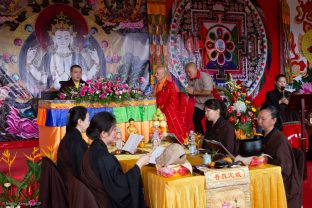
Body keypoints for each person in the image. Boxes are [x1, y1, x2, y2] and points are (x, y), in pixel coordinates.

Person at [80, 111, 150, 208]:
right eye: (113, 130)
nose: (116, 132)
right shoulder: (104, 157)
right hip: (106, 202)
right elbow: (121, 187)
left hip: (97, 198)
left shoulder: (94, 148)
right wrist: (139, 164)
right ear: (103, 133)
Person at [26, 12, 99, 91]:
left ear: (71, 38)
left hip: (74, 93)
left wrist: (96, 63)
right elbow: (40, 77)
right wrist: (29, 63)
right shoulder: (49, 56)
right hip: (52, 93)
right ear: (54, 39)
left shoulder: (77, 56)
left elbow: (86, 76)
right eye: (59, 37)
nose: (63, 41)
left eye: (66, 37)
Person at [257, 105, 301, 208]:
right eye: (258, 118)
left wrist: (266, 161)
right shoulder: (264, 136)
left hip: (284, 186)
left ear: (273, 120)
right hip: (269, 178)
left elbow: (285, 170)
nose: (259, 121)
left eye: (263, 119)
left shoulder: (280, 140)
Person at [153, 65, 186, 143]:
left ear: (164, 74)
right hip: (157, 111)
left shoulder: (170, 85)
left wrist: (164, 113)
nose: (155, 75)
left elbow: (173, 102)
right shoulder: (157, 85)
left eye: (157, 73)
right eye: (155, 73)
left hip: (166, 112)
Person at [57, 106, 89, 183]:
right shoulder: (77, 142)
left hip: (68, 181)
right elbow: (81, 171)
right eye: (88, 120)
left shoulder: (70, 136)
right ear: (80, 122)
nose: (89, 122)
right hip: (75, 187)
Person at [184, 62, 214, 135]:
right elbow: (192, 95)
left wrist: (193, 92)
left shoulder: (205, 76)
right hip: (199, 103)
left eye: (189, 72)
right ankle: (200, 137)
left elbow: (208, 92)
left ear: (195, 70)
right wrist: (189, 92)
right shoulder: (190, 79)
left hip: (209, 102)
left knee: (209, 122)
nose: (188, 74)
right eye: (186, 72)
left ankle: (209, 139)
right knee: (195, 119)